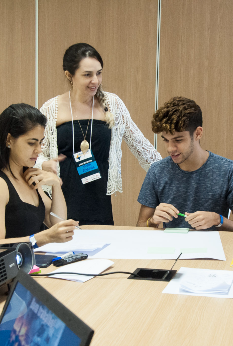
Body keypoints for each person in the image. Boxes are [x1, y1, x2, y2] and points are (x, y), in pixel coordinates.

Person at [35, 43, 161, 225]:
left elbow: (142, 147)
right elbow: (32, 155)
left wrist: (171, 175)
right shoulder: (51, 108)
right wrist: (43, 164)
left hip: (98, 200)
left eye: (99, 73)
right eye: (87, 75)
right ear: (69, 75)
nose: (95, 80)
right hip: (61, 200)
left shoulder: (113, 103)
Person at [136, 96, 233, 231]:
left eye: (178, 140)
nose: (170, 148)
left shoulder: (229, 170)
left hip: (213, 250)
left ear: (198, 133)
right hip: (171, 250)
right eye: (166, 140)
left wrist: (218, 220)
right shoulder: (157, 171)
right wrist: (153, 221)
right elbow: (140, 226)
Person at [0, 103, 78, 248]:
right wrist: (44, 237)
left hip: (29, 264)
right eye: (31, 143)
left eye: (41, 143)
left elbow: (57, 224)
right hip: (1, 269)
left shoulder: (28, 175)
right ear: (9, 140)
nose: (39, 150)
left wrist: (56, 185)